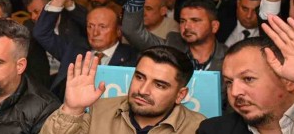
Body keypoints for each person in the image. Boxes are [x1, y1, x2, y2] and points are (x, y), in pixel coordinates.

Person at [40, 47, 205, 134]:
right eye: (139, 77)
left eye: (159, 85)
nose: (143, 90)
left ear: (180, 95)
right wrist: (72, 109)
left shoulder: (198, 128)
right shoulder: (100, 110)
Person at [34, 0, 136, 98]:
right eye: (90, 26)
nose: (95, 33)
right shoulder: (74, 50)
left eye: (102, 27)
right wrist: (58, 0)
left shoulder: (132, 57)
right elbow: (41, 33)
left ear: (118, 31)